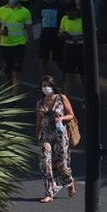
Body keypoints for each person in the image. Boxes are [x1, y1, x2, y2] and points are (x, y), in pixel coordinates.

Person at [35, 75, 77, 203]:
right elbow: (38, 121)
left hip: (60, 135)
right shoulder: (40, 103)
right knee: (46, 162)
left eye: (48, 85)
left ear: (53, 86)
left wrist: (62, 118)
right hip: (46, 135)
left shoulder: (61, 98)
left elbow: (71, 115)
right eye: (43, 86)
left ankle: (69, 181)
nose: (46, 88)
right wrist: (37, 136)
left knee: (61, 164)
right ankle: (49, 193)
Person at [0, 0, 32, 93]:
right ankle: (10, 87)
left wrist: (30, 45)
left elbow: (30, 31)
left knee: (16, 71)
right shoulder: (1, 11)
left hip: (19, 45)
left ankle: (14, 100)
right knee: (6, 70)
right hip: (5, 45)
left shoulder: (25, 12)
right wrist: (0, 31)